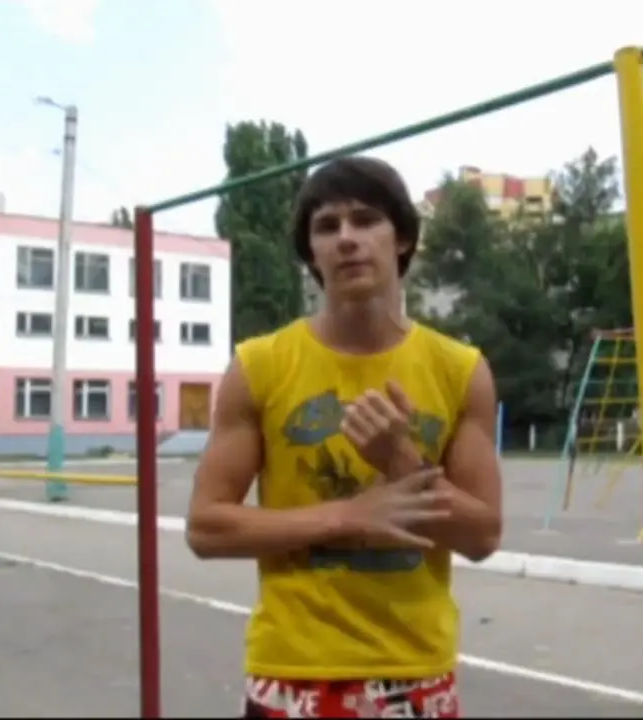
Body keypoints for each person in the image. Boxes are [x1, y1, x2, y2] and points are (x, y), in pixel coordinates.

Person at [185, 155, 503, 719]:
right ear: (311, 253)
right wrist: (349, 516)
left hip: (414, 675)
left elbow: (482, 536)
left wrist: (398, 458)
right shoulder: (260, 366)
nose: (347, 238)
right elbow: (206, 527)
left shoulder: (460, 370)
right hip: (293, 676)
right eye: (327, 226)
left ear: (402, 237)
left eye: (366, 219)